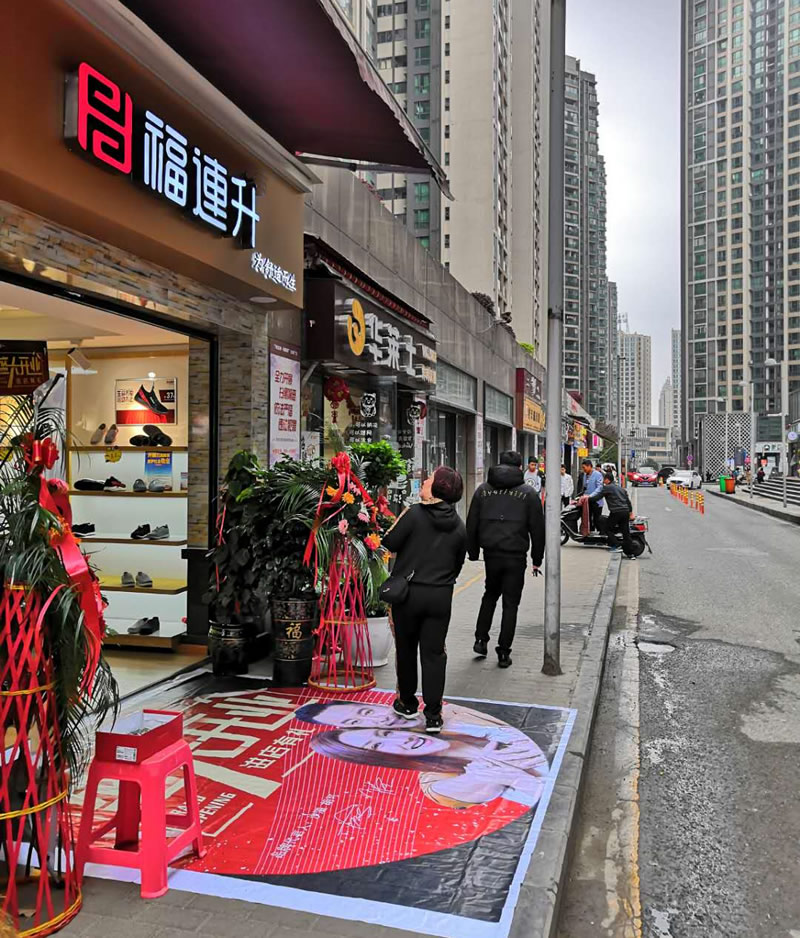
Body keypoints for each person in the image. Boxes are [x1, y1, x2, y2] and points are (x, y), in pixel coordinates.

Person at [382, 466, 467, 734]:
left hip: (408, 595)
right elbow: (457, 565)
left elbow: (390, 542)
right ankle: (433, 715)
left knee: (406, 649)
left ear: (437, 487)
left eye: (430, 478)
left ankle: (407, 703)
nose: (425, 480)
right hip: (440, 596)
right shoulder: (459, 525)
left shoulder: (414, 514)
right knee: (434, 654)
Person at [310, 726, 548, 807]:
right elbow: (536, 790)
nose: (401, 740)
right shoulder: (437, 784)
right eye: (378, 746)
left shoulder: (459, 728)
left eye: (385, 733)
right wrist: (515, 777)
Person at [466, 451, 545, 669]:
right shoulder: (528, 494)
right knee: (511, 603)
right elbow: (538, 530)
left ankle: (480, 640)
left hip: (491, 554)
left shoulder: (483, 490)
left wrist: (473, 552)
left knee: (490, 595)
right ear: (520, 468)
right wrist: (537, 559)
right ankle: (503, 652)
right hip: (516, 556)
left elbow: (472, 523)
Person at [585, 471, 636, 558]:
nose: (603, 481)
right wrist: (630, 513)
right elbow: (628, 501)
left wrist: (586, 499)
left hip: (616, 512)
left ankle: (617, 545)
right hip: (625, 512)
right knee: (626, 533)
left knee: (607, 528)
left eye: (604, 480)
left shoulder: (607, 488)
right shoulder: (620, 488)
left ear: (607, 480)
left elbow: (598, 497)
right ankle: (630, 554)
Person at [581, 458, 605, 532]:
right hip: (588, 501)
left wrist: (590, 496)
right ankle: (590, 533)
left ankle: (601, 533)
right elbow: (585, 487)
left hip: (596, 501)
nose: (583, 469)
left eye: (584, 467)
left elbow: (599, 487)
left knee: (596, 519)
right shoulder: (585, 475)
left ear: (589, 466)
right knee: (588, 519)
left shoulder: (598, 474)